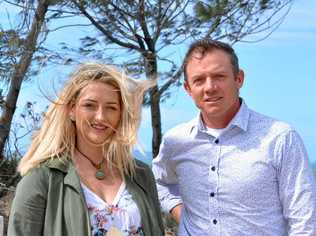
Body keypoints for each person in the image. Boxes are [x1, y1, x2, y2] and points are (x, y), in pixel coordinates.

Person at [152, 39, 316, 235]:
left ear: (239, 79)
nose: (209, 87)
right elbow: (158, 182)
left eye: (219, 76)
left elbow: (304, 221)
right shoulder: (175, 141)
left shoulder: (280, 138)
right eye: (199, 80)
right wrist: (180, 212)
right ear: (188, 89)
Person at [8, 62, 164, 236]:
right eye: (90, 105)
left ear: (120, 115)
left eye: (111, 108)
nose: (100, 116)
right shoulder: (42, 179)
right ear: (72, 110)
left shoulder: (141, 175)